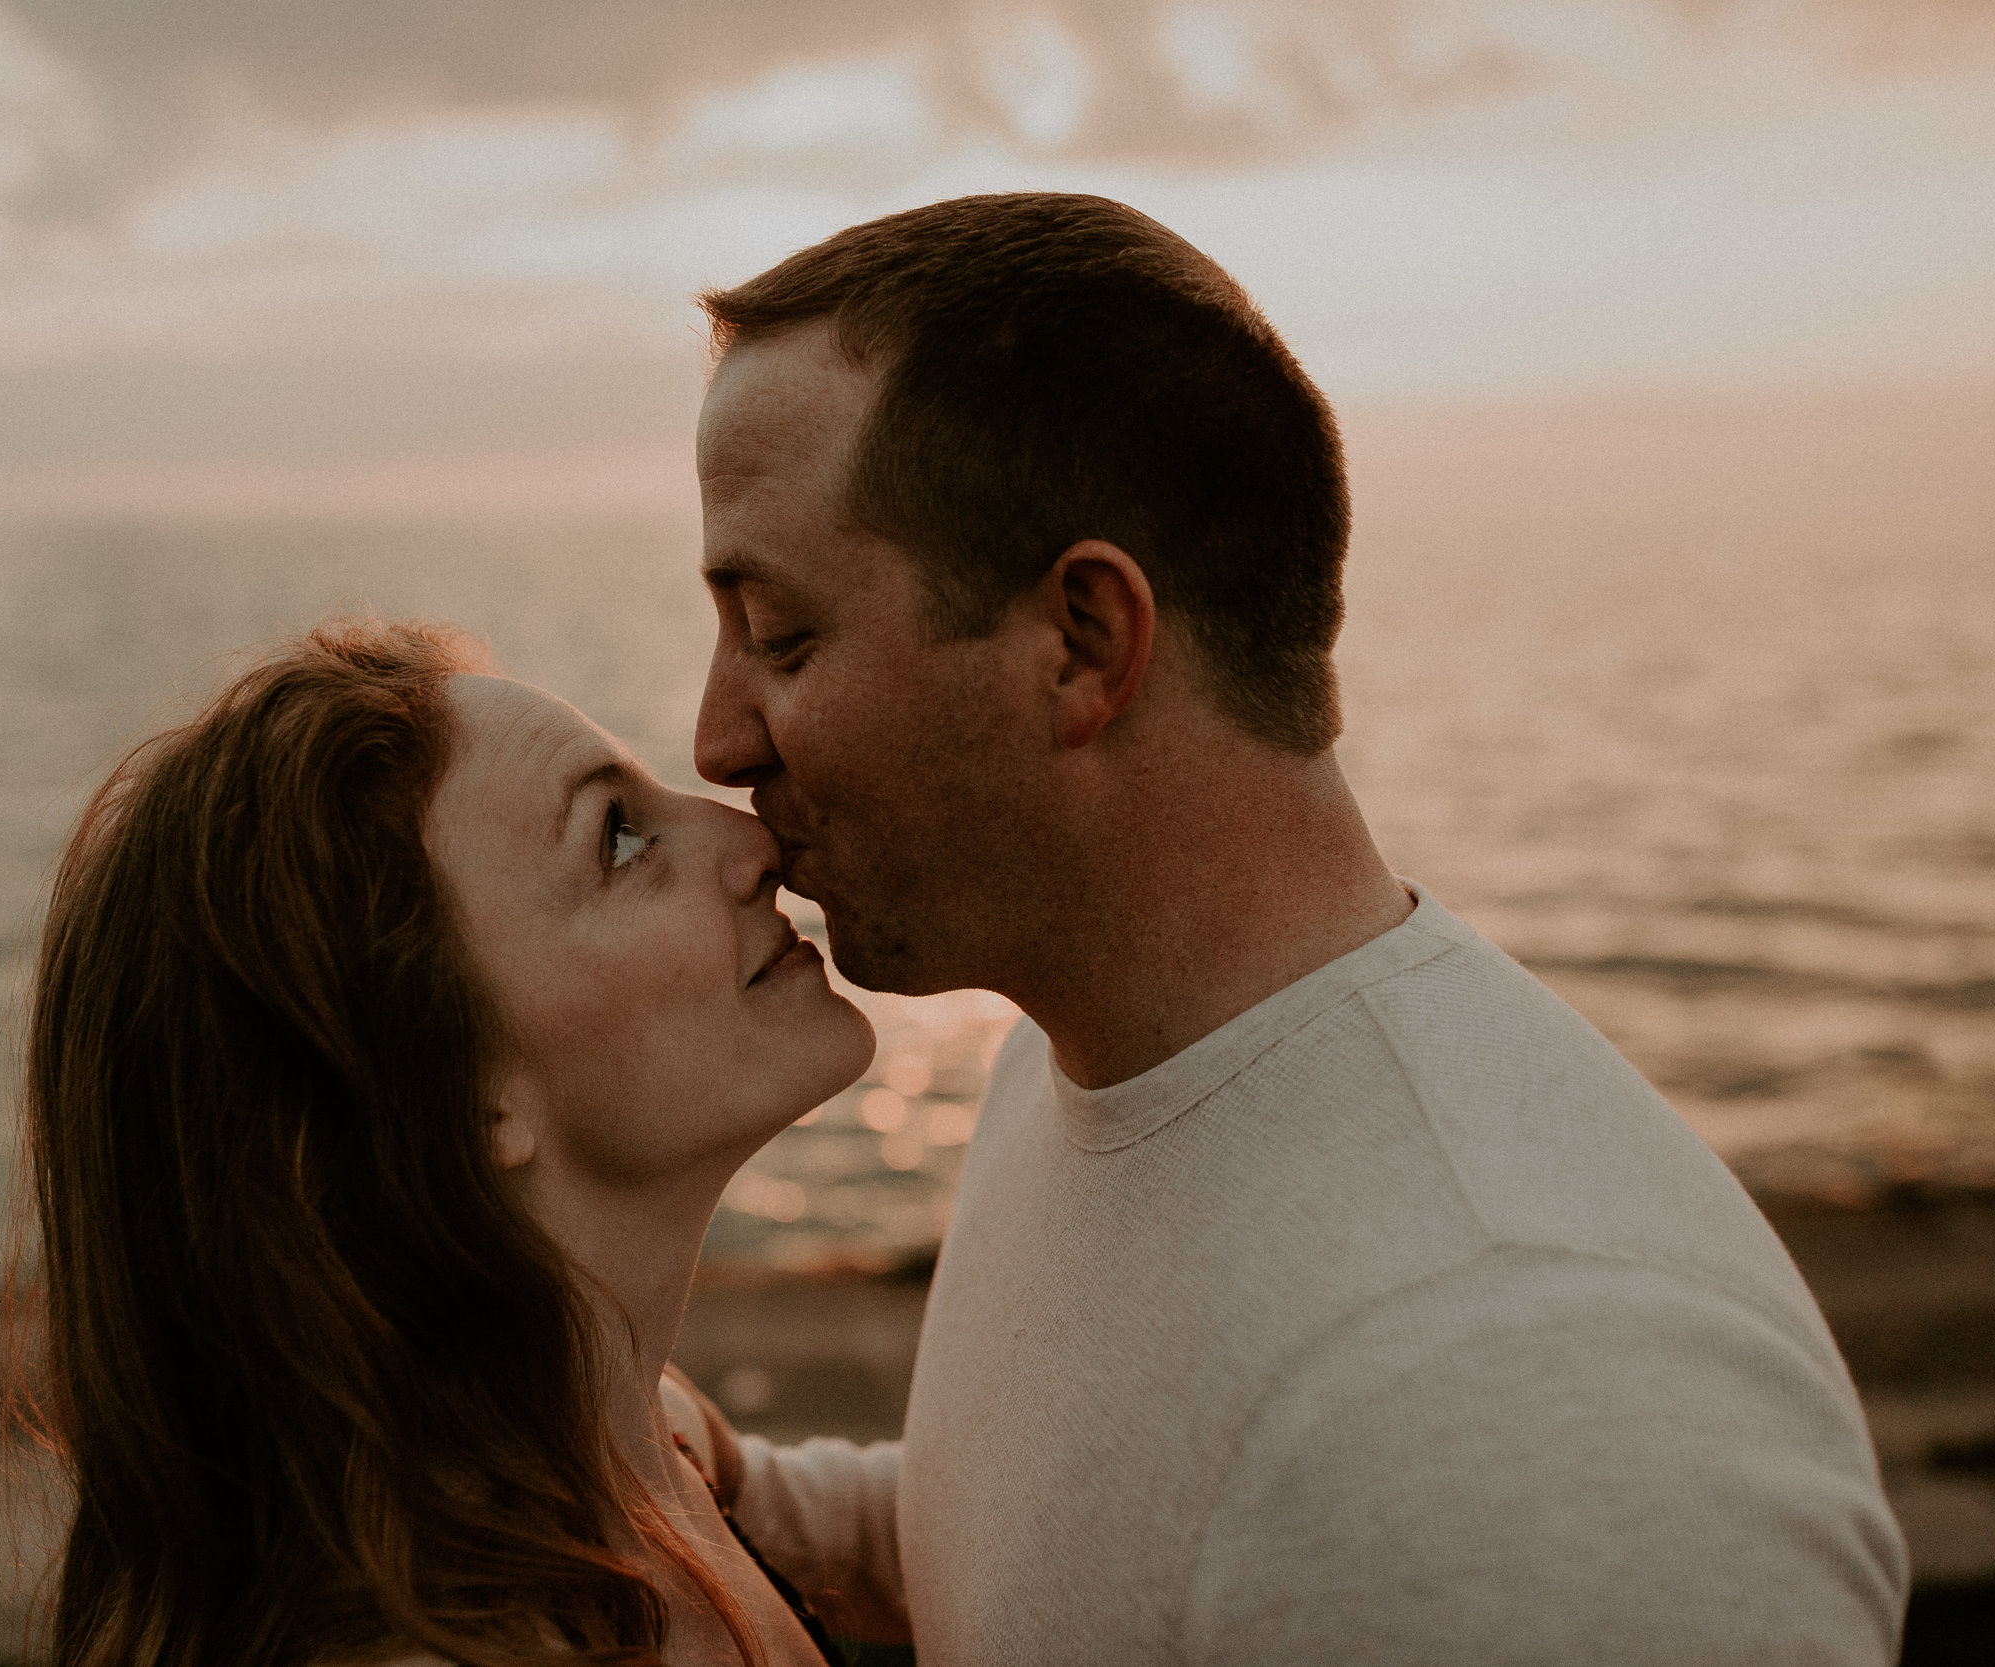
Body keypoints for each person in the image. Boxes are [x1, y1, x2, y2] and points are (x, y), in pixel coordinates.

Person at [687, 193, 1908, 1663]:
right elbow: (1098, 1553)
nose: (714, 736)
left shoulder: (1523, 1416)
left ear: (1082, 641)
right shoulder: (1086, 1059)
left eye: (782, 635)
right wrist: (733, 1494)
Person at [14, 619, 868, 1666]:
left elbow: (917, 1529)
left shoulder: (629, 1430)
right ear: (453, 1095)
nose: (750, 842)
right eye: (620, 838)